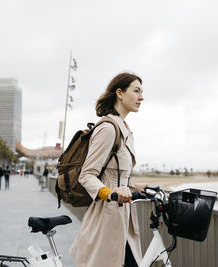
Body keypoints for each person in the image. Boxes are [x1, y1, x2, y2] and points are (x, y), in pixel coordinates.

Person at [70, 72, 148, 267]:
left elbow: (116, 175)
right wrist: (110, 193)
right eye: (136, 91)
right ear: (119, 93)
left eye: (142, 92)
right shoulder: (108, 128)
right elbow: (87, 175)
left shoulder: (124, 128)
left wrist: (136, 186)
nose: (141, 97)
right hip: (107, 216)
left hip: (123, 215)